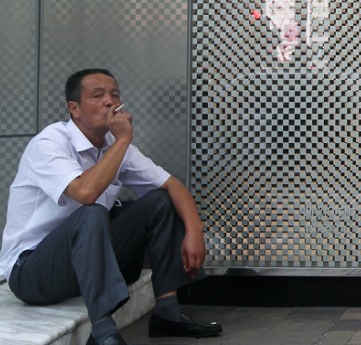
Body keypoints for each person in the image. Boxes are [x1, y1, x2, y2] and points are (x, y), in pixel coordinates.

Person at [0, 69, 223, 345]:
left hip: (85, 262)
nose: (109, 101)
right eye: (98, 95)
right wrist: (123, 140)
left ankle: (167, 312)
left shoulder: (114, 146)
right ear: (74, 109)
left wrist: (194, 232)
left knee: (159, 201)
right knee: (92, 211)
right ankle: (103, 332)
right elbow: (85, 193)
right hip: (32, 273)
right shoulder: (50, 143)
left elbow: (172, 186)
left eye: (114, 95)